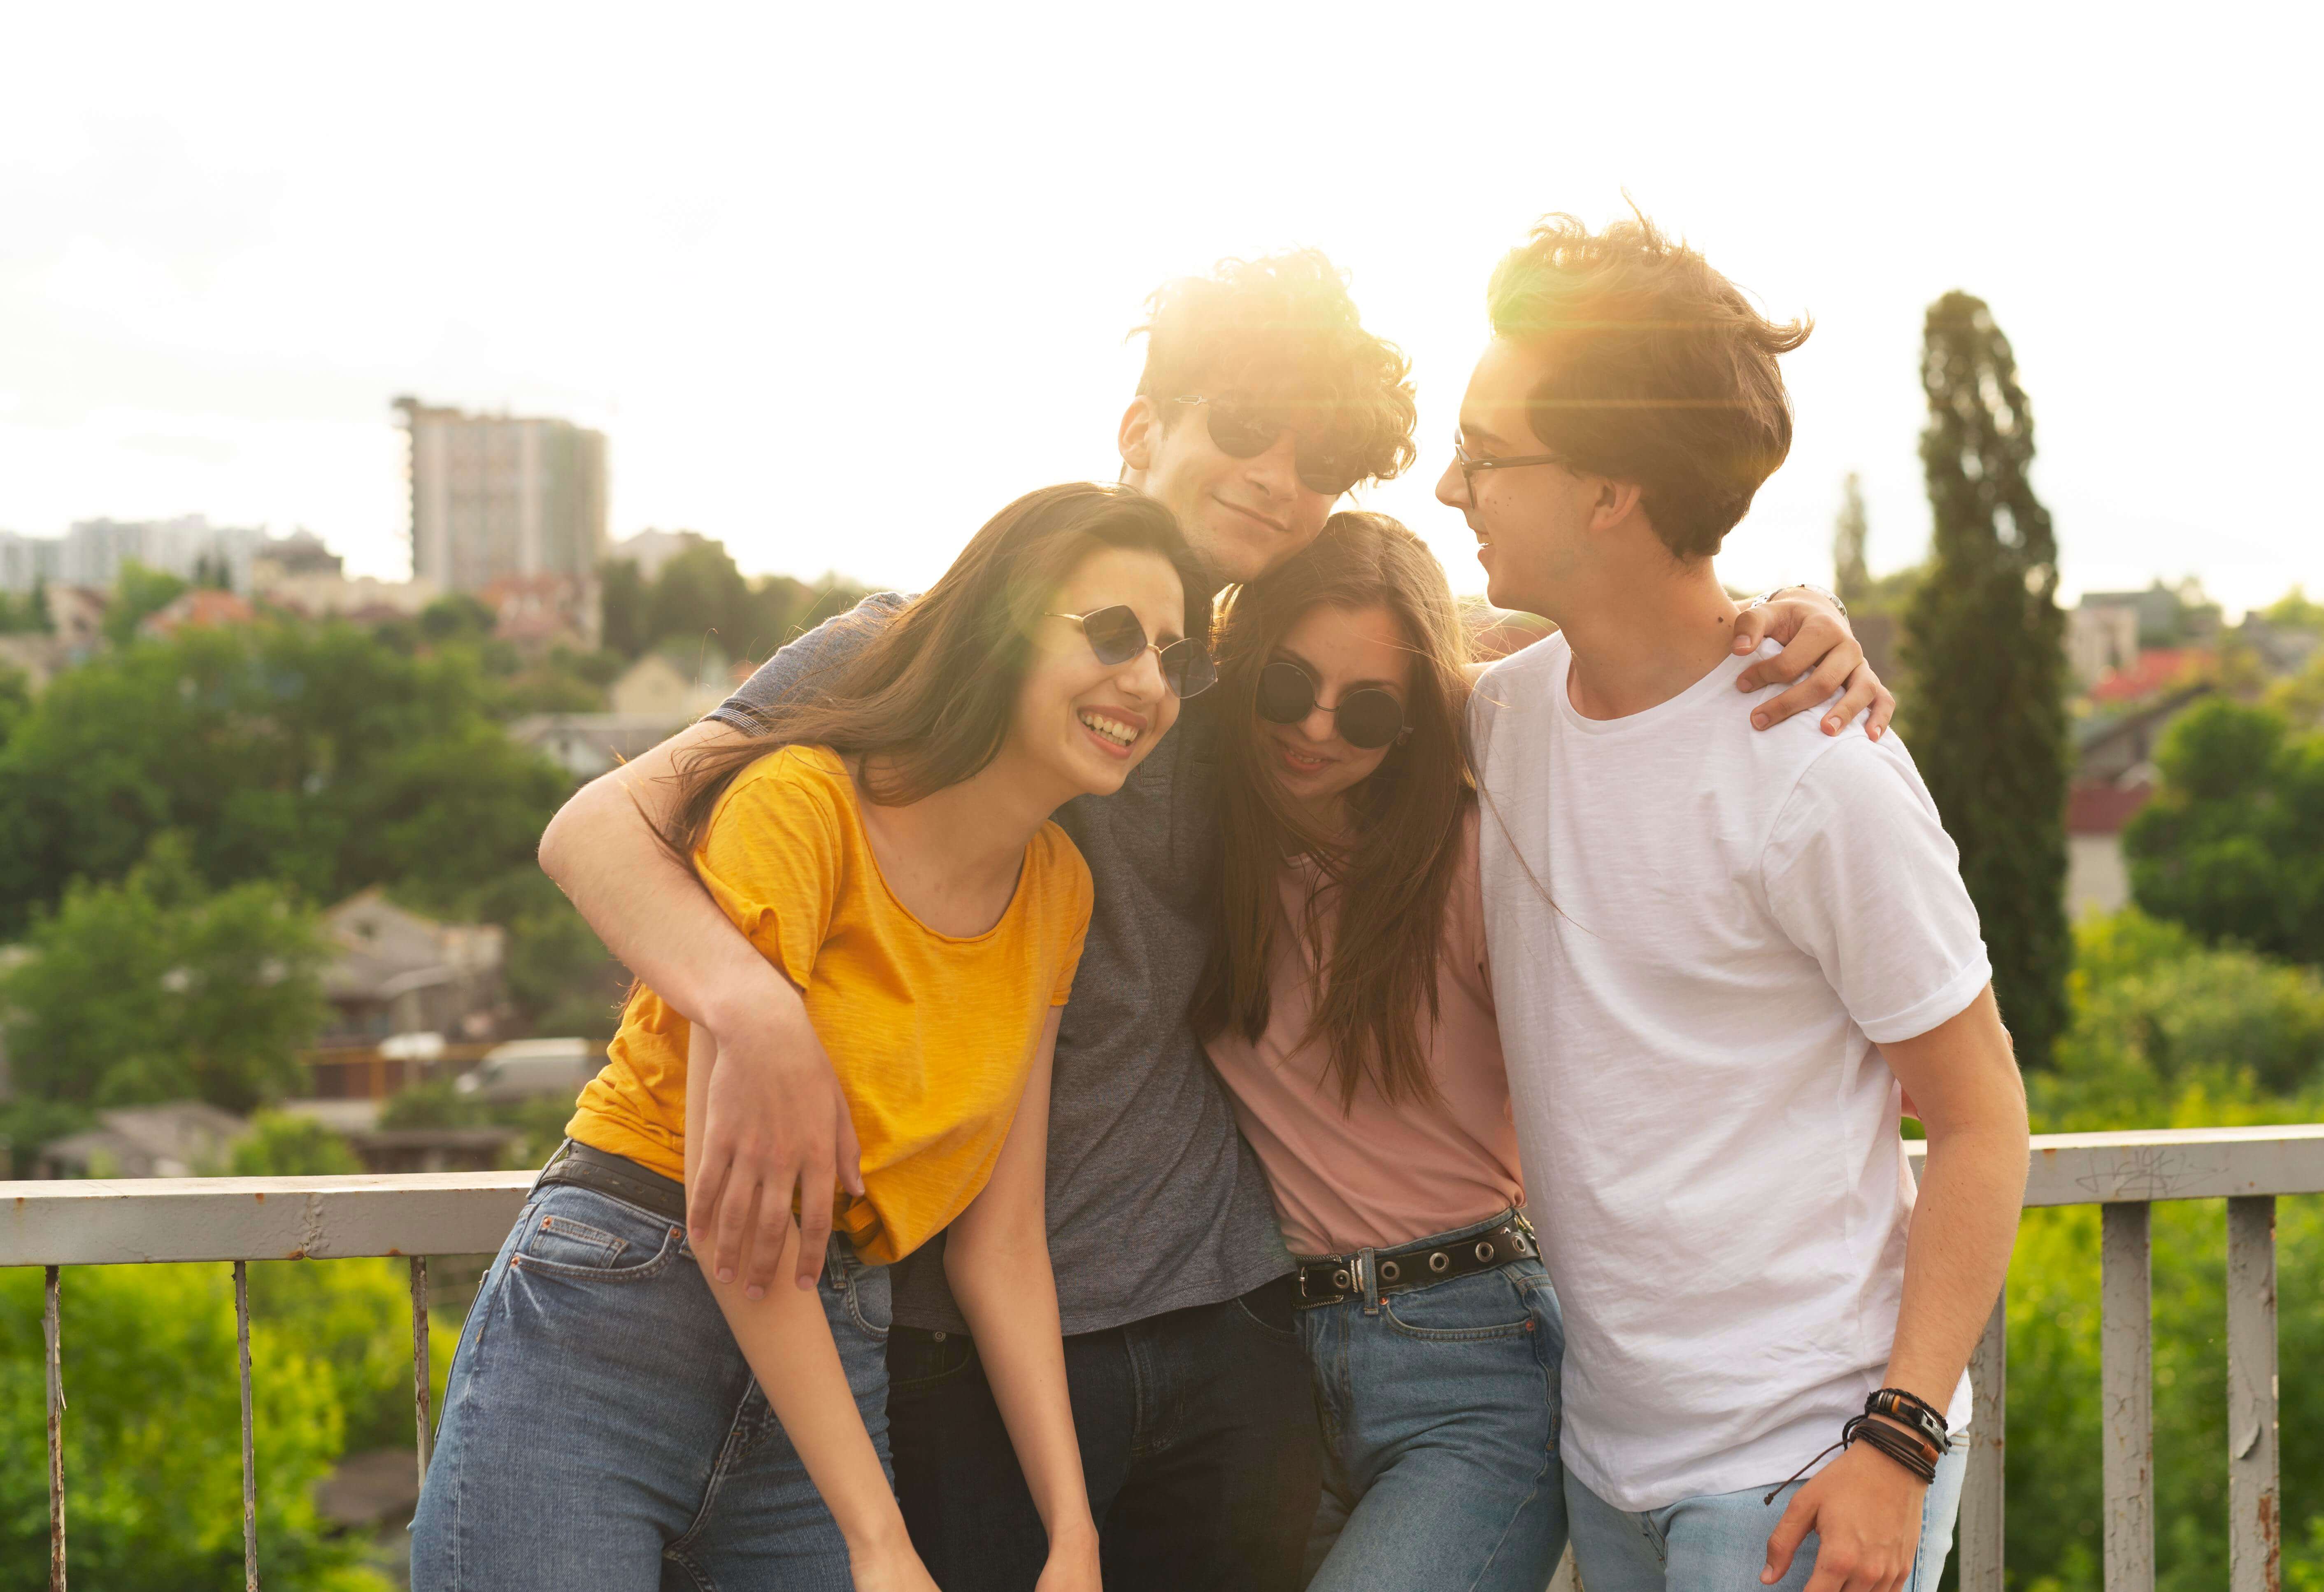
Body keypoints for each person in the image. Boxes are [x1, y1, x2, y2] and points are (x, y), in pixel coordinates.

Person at [535, 251, 1892, 1590]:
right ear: (1142, 429)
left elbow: (1582, 630)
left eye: (1320, 463)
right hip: (975, 1345)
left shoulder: (1259, 688)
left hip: (1234, 1328)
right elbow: (597, 830)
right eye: (1245, 427)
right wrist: (749, 1001)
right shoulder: (912, 652)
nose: (1275, 477)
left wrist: (1787, 619)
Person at [412, 483, 1208, 1592]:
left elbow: (1003, 1240)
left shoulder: (1058, 891)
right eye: (1114, 634)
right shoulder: (800, 804)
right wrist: (878, 1542)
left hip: (830, 1350)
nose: (1149, 682)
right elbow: (738, 1219)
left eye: (1176, 657)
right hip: (618, 1317)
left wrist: (1072, 1534)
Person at [1441, 212, 2033, 1592]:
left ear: (1610, 493)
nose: (1448, 485)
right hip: (1609, 1459)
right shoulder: (1503, 716)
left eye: (1486, 451)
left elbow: (1985, 1115)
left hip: (1804, 1474)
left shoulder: (1820, 772)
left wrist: (1898, 1442)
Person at [1194, 510, 1566, 1591]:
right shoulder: (1210, 836)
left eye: (1365, 709)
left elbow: (1649, 664)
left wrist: (1795, 614)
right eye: (1284, 685)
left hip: (1474, 1362)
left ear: (1414, 722)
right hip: (1274, 1378)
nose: (1313, 728)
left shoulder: (1471, 862)